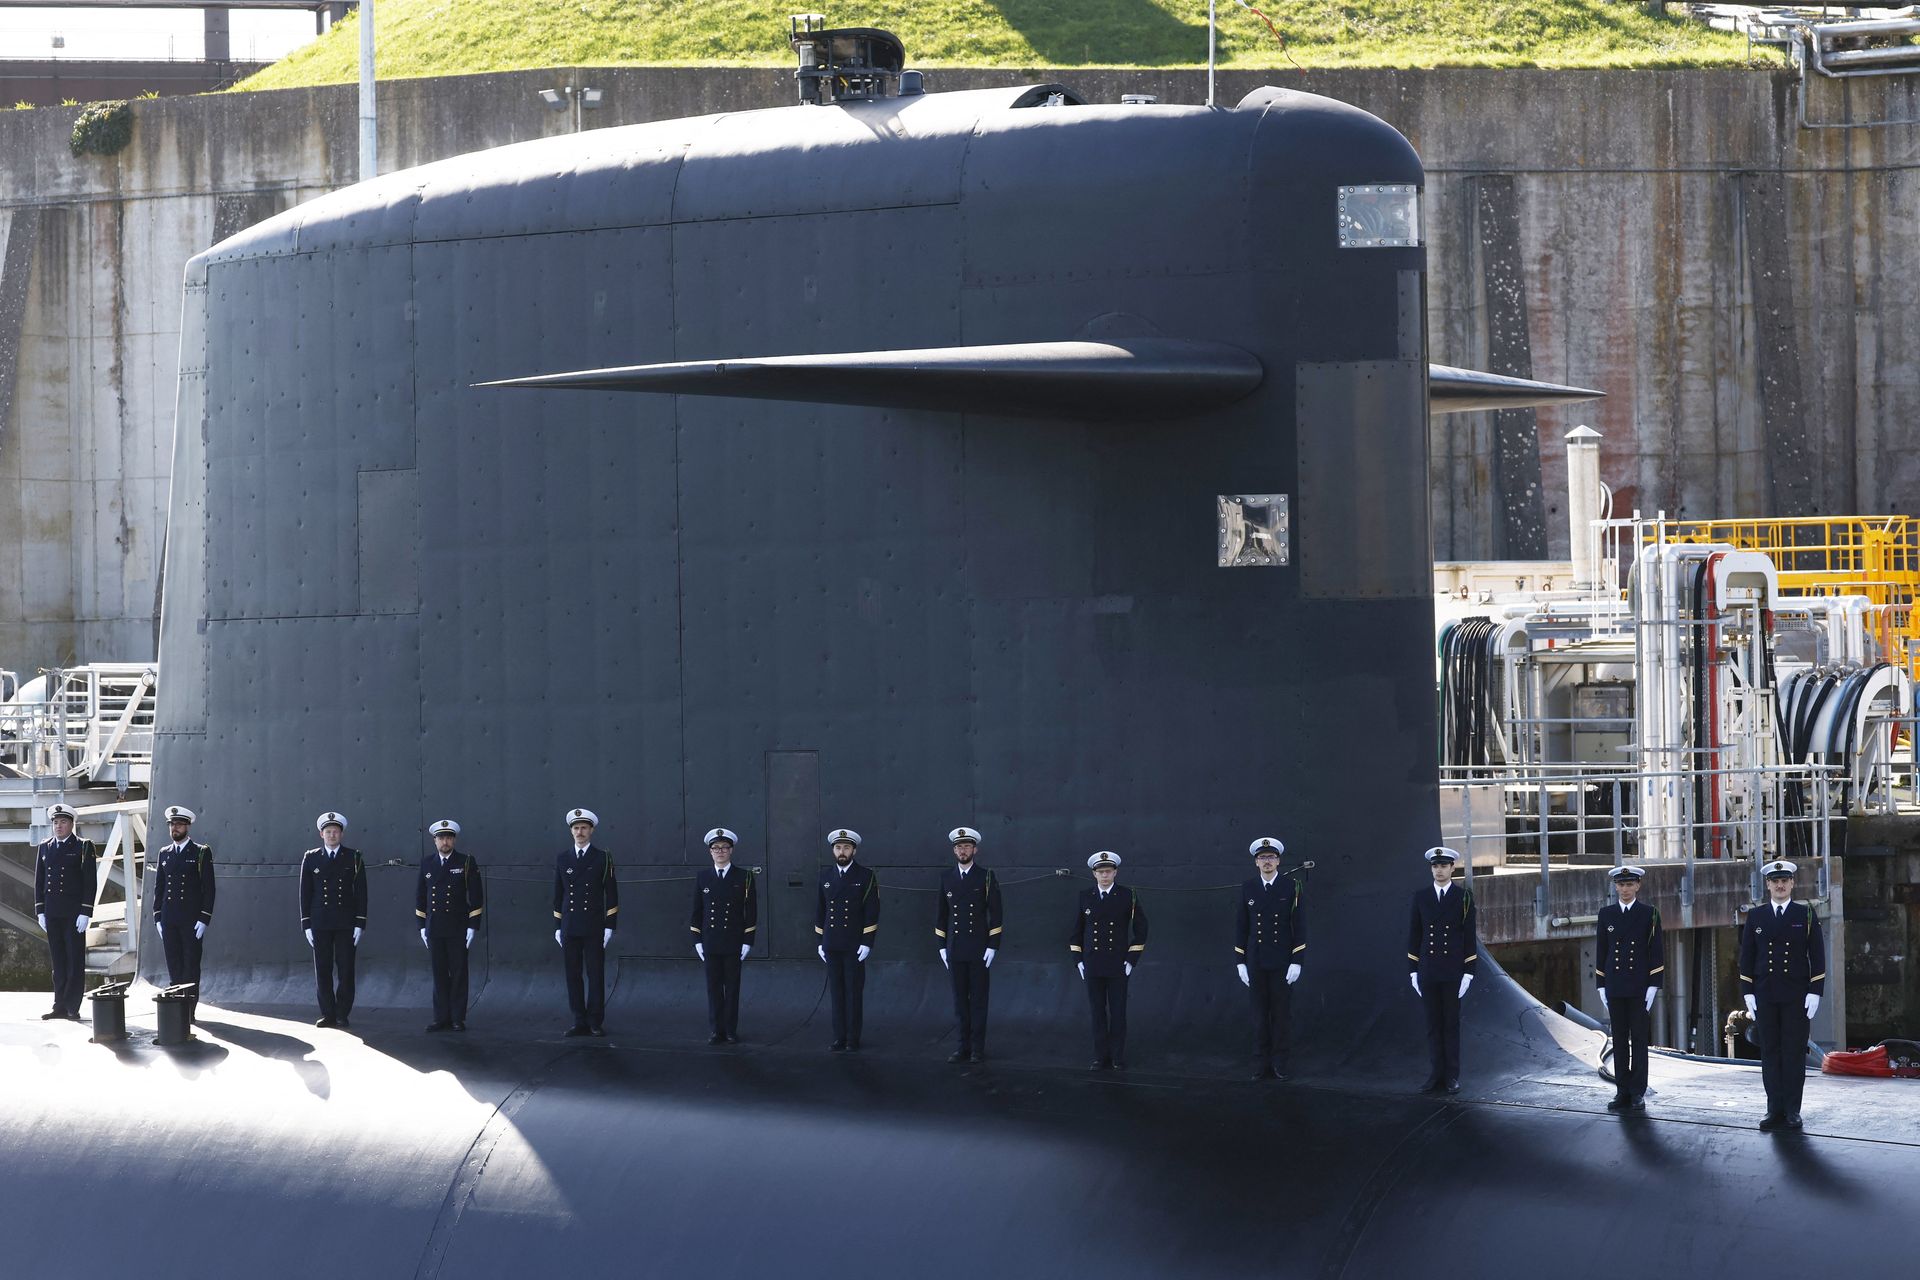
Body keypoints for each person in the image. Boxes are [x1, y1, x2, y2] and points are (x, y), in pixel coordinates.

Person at [1740, 860, 1826, 1132]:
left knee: (1793, 1053)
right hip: (1765, 994)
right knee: (1770, 1052)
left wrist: (1815, 991)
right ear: (1767, 884)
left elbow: (1818, 956)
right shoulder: (1757, 917)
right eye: (1775, 880)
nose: (1780, 885)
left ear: (1792, 883)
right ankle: (1773, 1108)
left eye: (1785, 880)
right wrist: (1748, 993)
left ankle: (1792, 1110)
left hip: (1796, 995)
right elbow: (1747, 957)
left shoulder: (1806, 914)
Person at [1593, 864, 1663, 1112]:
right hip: (1615, 985)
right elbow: (1602, 952)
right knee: (1620, 1040)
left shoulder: (1649, 914)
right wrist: (1601, 984)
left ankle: (1637, 1092)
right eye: (1621, 885)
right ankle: (1622, 1089)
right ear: (1615, 887)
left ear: (1638, 886)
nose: (1625, 889)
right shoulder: (1607, 914)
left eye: (1629, 884)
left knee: (1639, 1040)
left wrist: (1654, 985)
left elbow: (1656, 951)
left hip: (1639, 988)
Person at [1408, 846, 1477, 1094]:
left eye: (1444, 866)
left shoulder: (1463, 898)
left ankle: (1451, 1076)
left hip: (1452, 971)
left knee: (1450, 1024)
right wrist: (1413, 969)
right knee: (1432, 1025)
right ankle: (1435, 1074)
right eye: (1435, 866)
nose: (1439, 870)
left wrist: (1469, 971)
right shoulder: (1421, 897)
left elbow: (1469, 936)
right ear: (1432, 869)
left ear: (1452, 868)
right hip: (1428, 968)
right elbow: (1415, 934)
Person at [1071, 851, 1147, 1071]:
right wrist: (1078, 959)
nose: (1104, 875)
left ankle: (1117, 1056)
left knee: (1118, 1012)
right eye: (1100, 872)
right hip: (1092, 963)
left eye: (1108, 871)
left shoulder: (1127, 896)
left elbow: (1141, 928)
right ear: (1094, 874)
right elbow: (1076, 931)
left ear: (1115, 872)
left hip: (1117, 964)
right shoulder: (1085, 896)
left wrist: (1131, 959)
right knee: (1097, 1012)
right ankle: (1100, 1056)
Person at [1235, 836, 1303, 1081]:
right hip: (1255, 960)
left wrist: (1298, 960)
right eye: (1263, 858)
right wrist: (1240, 961)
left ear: (1279, 860)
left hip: (1282, 960)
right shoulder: (1248, 888)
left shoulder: (1290, 887)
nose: (1267, 861)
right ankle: (1260, 1062)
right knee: (1259, 1015)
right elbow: (1241, 926)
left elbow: (1299, 926)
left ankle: (1280, 1062)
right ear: (1256, 862)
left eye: (1271, 857)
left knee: (1282, 1014)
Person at [936, 826, 1002, 1063]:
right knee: (959, 1000)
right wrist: (942, 946)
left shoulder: (985, 877)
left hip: (979, 949)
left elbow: (996, 914)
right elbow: (942, 915)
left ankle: (977, 1048)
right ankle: (962, 1046)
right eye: (959, 847)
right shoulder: (947, 878)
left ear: (975, 849)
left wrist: (993, 946)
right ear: (954, 851)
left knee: (978, 1001)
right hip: (955, 948)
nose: (963, 850)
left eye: (967, 846)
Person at [299, 812, 368, 1029]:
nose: (332, 835)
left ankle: (342, 1013)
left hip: (345, 922)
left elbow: (361, 892)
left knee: (346, 968)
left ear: (341, 834)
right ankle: (328, 1013)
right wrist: (306, 923)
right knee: (323, 968)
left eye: (335, 831)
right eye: (328, 831)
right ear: (321, 834)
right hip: (320, 922)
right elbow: (305, 892)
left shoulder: (353, 857)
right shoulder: (311, 857)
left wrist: (360, 922)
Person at [554, 807, 618, 1037]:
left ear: (591, 830)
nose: (579, 832)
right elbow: (558, 893)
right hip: (570, 925)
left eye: (584, 828)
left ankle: (595, 1021)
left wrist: (610, 925)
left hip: (593, 926)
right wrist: (557, 926)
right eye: (576, 828)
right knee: (573, 974)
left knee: (595, 973)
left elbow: (611, 894)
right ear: (571, 831)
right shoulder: (563, 858)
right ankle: (578, 1019)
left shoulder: (602, 858)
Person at [150, 804, 216, 1027]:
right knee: (174, 965)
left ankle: (190, 1009)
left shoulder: (200, 853)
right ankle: (177, 1007)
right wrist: (157, 916)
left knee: (190, 965)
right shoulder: (164, 854)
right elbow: (160, 887)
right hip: (169, 919)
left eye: (178, 824)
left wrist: (204, 918)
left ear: (187, 826)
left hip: (191, 920)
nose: (174, 828)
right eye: (172, 825)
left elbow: (209, 888)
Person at [416, 819, 484, 1032]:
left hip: (458, 927)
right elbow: (420, 897)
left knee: (458, 973)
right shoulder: (427, 863)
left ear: (454, 840)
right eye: (441, 838)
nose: (445, 841)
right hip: (434, 927)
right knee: (438, 973)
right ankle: (440, 1017)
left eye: (449, 837)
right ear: (435, 840)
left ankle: (457, 1017)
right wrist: (421, 925)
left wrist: (473, 926)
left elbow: (475, 896)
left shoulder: (466, 862)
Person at [690, 827, 755, 1044]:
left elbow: (751, 912)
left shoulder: (744, 877)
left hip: (733, 941)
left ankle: (730, 1030)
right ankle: (716, 1030)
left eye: (724, 848)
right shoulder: (703, 878)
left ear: (731, 850)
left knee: (732, 987)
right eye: (715, 848)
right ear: (710, 852)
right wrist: (697, 940)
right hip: (710, 941)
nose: (720, 851)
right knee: (713, 988)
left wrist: (748, 941)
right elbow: (696, 911)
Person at [33, 803, 97, 1022]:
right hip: (52, 912)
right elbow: (39, 881)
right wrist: (40, 910)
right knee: (58, 961)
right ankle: (58, 1005)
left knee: (74, 959)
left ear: (71, 824)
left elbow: (90, 882)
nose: (58, 826)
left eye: (63, 822)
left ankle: (72, 1006)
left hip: (73, 913)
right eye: (55, 822)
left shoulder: (83, 847)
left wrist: (86, 912)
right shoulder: (45, 847)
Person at [816, 828, 878, 1051]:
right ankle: (839, 1036)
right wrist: (820, 941)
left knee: (853, 991)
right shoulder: (825, 876)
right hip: (831, 942)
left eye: (846, 847)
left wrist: (867, 941)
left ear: (854, 850)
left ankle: (853, 1037)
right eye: (838, 847)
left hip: (854, 944)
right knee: (836, 991)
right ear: (833, 850)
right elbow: (820, 910)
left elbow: (872, 911)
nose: (842, 851)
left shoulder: (865, 876)